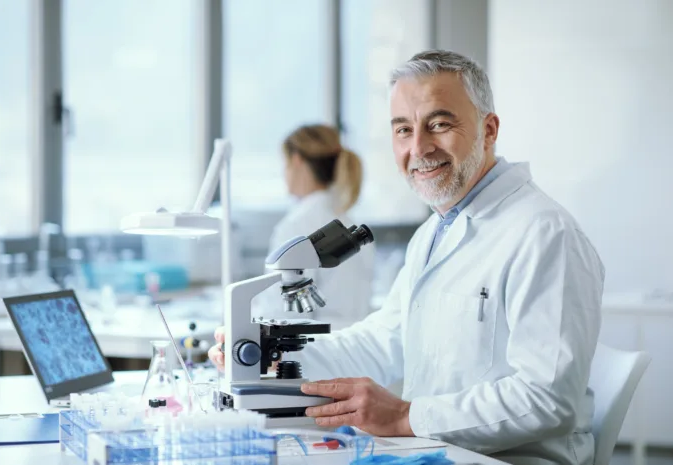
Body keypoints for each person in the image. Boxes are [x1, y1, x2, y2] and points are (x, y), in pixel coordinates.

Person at [210, 50, 604, 465]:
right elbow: (383, 342)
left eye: (439, 124)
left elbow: (547, 399)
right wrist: (276, 353)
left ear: (488, 131)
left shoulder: (543, 233)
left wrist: (404, 415)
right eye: (403, 129)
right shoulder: (434, 232)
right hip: (437, 451)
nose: (418, 147)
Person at [253, 124, 376, 329]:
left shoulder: (295, 226)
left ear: (296, 160)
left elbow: (281, 315)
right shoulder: (350, 223)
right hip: (355, 347)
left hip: (317, 350)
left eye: (285, 164)